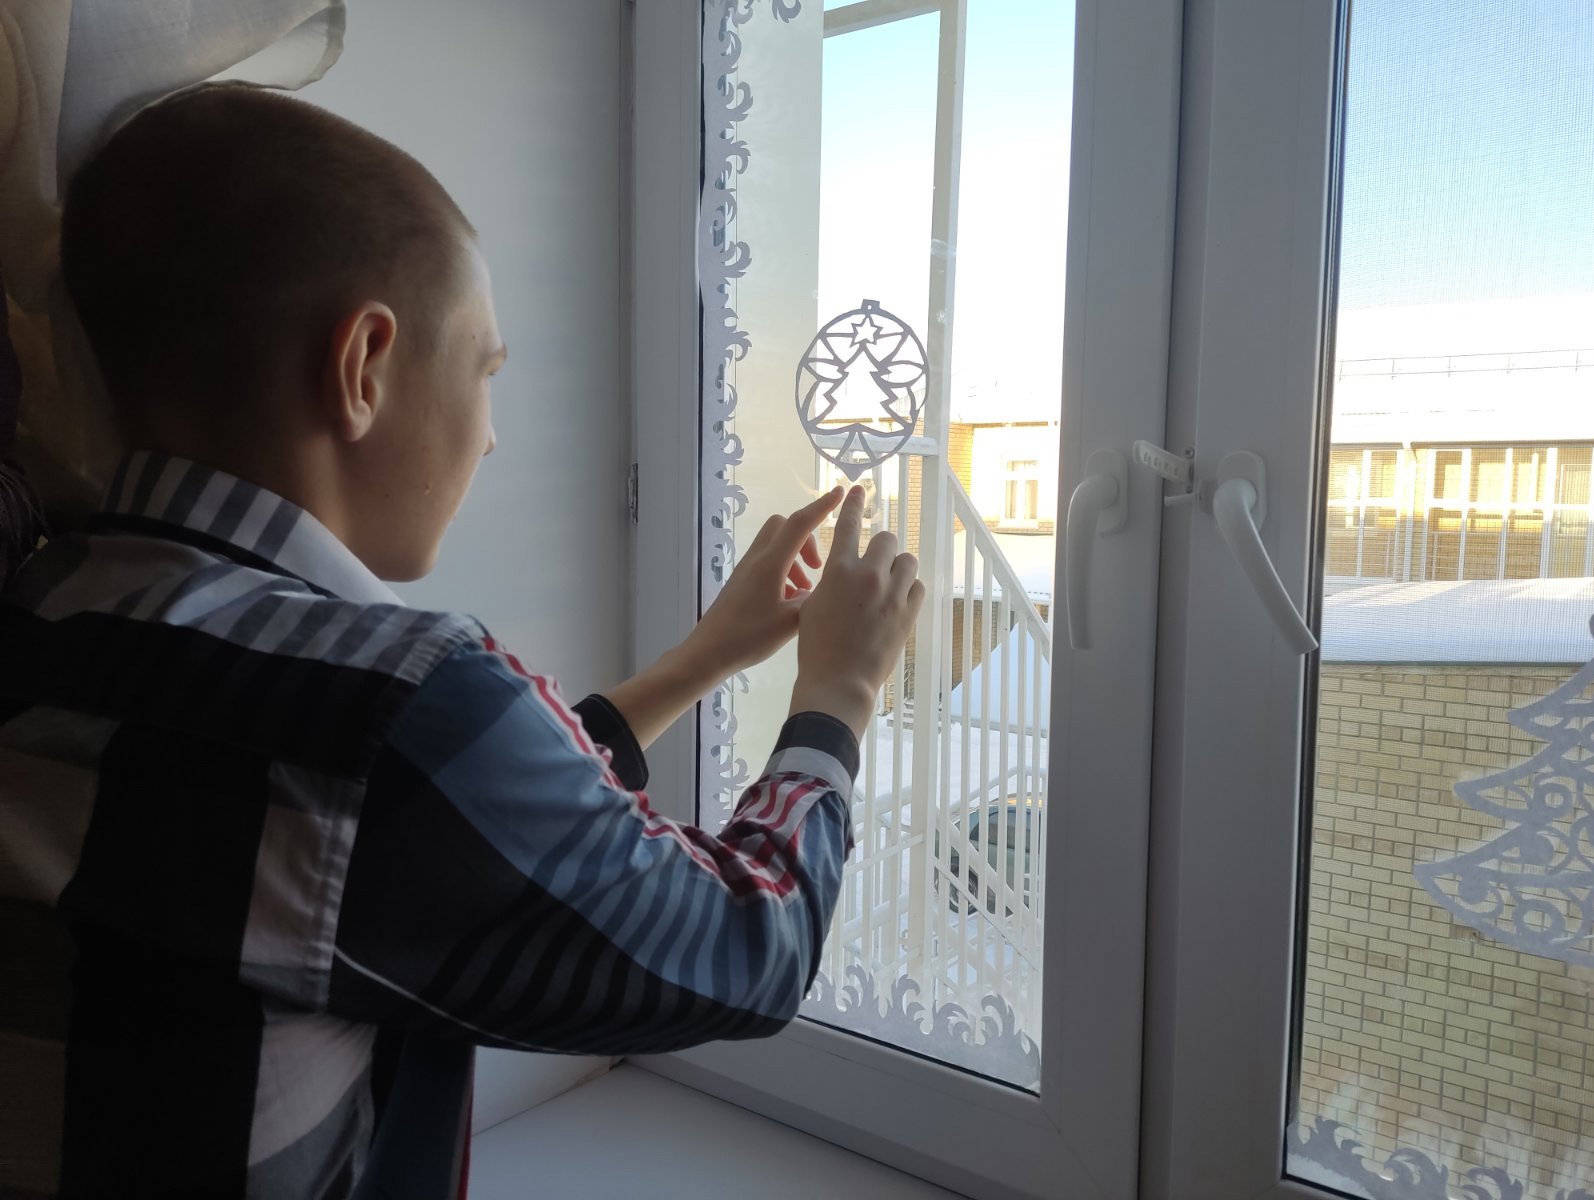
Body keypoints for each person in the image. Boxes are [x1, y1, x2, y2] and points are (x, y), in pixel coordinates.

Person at [0, 83, 923, 1199]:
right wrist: (838, 691)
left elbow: (434, 830)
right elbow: (746, 950)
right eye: (485, 371)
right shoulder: (397, 708)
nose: (489, 438)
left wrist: (704, 658)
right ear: (364, 367)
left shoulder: (47, 599)